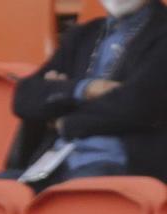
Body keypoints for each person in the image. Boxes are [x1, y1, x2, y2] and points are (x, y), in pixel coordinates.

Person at [10, 0, 167, 185]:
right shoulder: (83, 34)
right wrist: (84, 89)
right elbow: (24, 97)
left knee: (71, 199)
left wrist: (64, 121)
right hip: (53, 165)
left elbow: (136, 105)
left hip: (118, 165)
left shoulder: (161, 33)